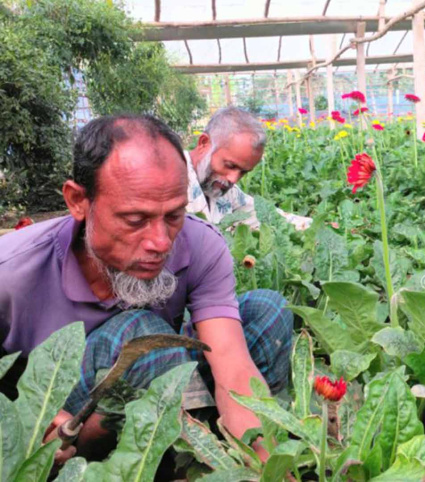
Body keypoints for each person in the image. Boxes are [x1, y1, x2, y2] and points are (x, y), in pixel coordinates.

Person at [0, 114, 292, 463]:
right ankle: (152, 461)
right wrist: (32, 423)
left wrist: (268, 466)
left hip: (159, 380)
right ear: (78, 201)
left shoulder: (200, 246)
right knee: (142, 339)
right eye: (135, 220)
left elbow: (232, 365)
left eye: (173, 216)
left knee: (267, 311)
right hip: (66, 419)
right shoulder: (11, 271)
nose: (160, 242)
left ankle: (214, 447)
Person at [186, 106, 312, 230]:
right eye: (230, 165)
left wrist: (319, 227)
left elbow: (270, 217)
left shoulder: (227, 192)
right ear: (203, 143)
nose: (233, 179)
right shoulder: (170, 182)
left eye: (243, 172)